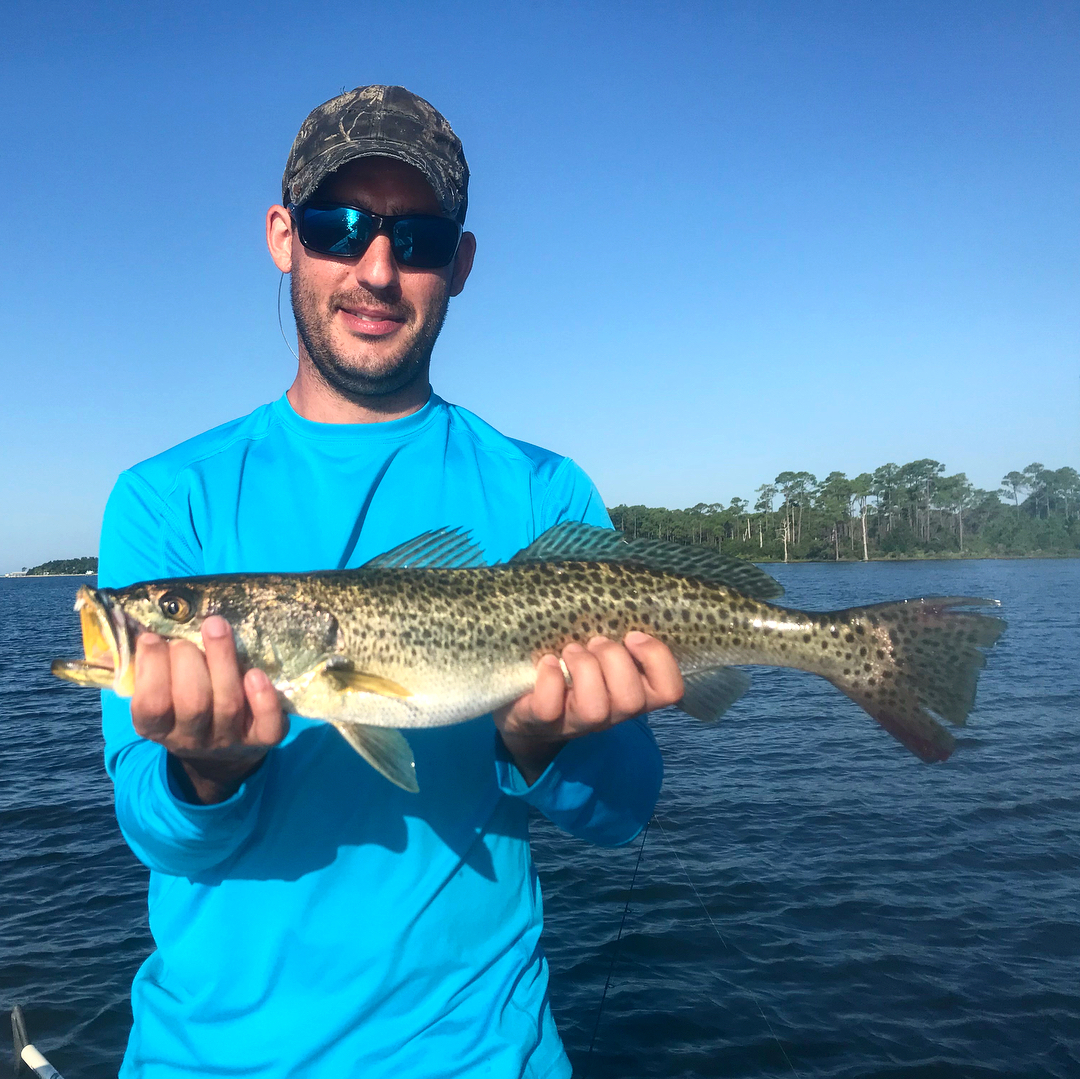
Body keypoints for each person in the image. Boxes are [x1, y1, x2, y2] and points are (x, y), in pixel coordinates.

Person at [99, 85, 683, 1078]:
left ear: (459, 264)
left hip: (486, 1053)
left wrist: (540, 740)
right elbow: (161, 836)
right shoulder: (164, 500)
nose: (375, 268)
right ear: (283, 235)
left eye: (415, 238)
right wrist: (208, 768)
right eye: (340, 225)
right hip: (210, 1056)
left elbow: (624, 811)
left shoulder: (547, 492)